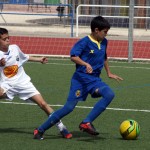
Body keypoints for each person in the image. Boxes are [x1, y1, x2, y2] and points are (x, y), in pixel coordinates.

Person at [33, 16, 123, 139]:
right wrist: (85, 64)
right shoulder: (84, 42)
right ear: (96, 30)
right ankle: (40, 130)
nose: (106, 34)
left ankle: (86, 122)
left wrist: (109, 72)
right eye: (105, 32)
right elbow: (73, 56)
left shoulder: (104, 42)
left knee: (109, 94)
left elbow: (104, 56)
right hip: (80, 80)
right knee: (68, 108)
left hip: (94, 80)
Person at [0, 27, 72, 139]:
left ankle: (62, 128)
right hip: (7, 85)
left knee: (43, 104)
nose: (8, 40)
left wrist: (39, 59)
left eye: (8, 37)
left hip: (24, 83)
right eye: (5, 39)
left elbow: (25, 57)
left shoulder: (15, 48)